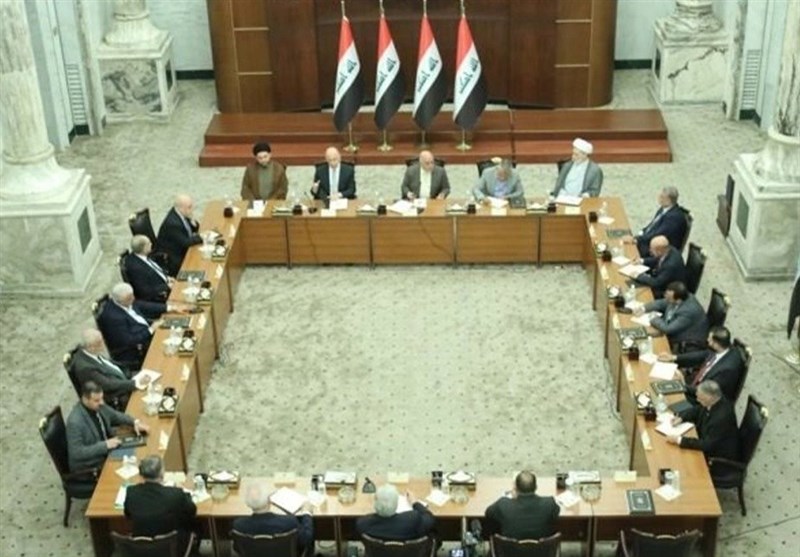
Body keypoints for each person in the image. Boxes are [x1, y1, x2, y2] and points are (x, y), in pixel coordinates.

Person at [65, 381, 148, 472]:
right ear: (85, 399)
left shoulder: (99, 405)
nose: (101, 402)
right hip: (91, 465)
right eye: (97, 400)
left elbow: (115, 415)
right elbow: (76, 453)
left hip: (108, 449)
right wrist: (105, 445)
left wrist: (134, 422)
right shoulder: (75, 422)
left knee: (142, 453)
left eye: (102, 398)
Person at [124, 455, 197, 555]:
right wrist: (185, 494)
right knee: (195, 525)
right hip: (171, 549)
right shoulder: (175, 494)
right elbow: (192, 511)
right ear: (162, 473)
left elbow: (128, 515)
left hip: (141, 549)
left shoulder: (131, 492)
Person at [659, 326, 744, 402]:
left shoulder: (726, 370)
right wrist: (674, 357)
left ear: (716, 344)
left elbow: (707, 393)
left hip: (700, 399)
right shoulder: (724, 348)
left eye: (709, 339)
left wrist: (682, 385)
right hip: (696, 383)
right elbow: (701, 355)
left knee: (663, 396)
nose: (707, 340)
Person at [71, 329, 146, 410]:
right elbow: (108, 385)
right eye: (100, 342)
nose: (103, 343)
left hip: (124, 379)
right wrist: (135, 383)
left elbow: (110, 365)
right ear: (91, 347)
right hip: (118, 394)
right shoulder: (85, 368)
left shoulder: (89, 352)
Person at [233, 481, 314, 556]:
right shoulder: (289, 522)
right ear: (269, 501)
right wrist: (307, 513)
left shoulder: (238, 526)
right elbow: (306, 539)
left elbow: (237, 548)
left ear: (247, 504)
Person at [667, 380, 740, 462]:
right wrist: (681, 418)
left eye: (700, 398)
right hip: (705, 438)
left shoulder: (721, 418)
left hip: (716, 455)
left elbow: (707, 445)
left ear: (709, 397)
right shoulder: (715, 400)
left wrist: (679, 440)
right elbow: (698, 410)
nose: (697, 400)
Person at [96, 282, 165, 370]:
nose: (133, 299)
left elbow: (143, 305)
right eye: (130, 298)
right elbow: (129, 341)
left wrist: (168, 307)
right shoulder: (114, 318)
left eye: (132, 296)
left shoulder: (125, 301)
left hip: (145, 332)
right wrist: (151, 330)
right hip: (135, 350)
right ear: (120, 300)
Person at [483, 471, 559, 541]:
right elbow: (556, 512)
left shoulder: (503, 505)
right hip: (543, 550)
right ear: (536, 487)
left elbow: (488, 513)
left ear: (516, 488)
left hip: (509, 550)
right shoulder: (549, 503)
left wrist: (512, 499)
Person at [355, 484, 436, 542]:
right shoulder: (413, 520)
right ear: (396, 504)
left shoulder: (363, 524)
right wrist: (415, 503)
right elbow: (429, 518)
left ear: (375, 504)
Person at [642, 281, 708, 351]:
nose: (665, 298)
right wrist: (643, 308)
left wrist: (653, 318)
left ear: (678, 300)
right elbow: (662, 303)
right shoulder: (680, 297)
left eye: (668, 298)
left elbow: (668, 329)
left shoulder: (688, 312)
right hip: (670, 327)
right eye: (665, 294)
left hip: (684, 341)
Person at [156, 194, 203, 276]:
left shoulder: (180, 213)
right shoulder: (173, 224)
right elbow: (186, 243)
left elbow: (192, 228)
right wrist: (203, 237)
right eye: (189, 207)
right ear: (181, 208)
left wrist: (194, 224)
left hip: (180, 246)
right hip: (173, 258)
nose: (192, 209)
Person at [634, 186, 687, 257]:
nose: (659, 198)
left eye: (662, 197)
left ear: (668, 200)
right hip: (650, 241)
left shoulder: (674, 218)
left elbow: (658, 234)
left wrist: (639, 239)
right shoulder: (663, 209)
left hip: (658, 249)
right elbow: (652, 225)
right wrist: (641, 233)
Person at [124, 235, 174, 303]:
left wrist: (166, 277)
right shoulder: (136, 268)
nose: (151, 244)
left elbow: (154, 268)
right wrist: (166, 286)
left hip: (166, 282)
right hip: (159, 296)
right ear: (144, 248)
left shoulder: (140, 254)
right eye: (149, 243)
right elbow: (145, 291)